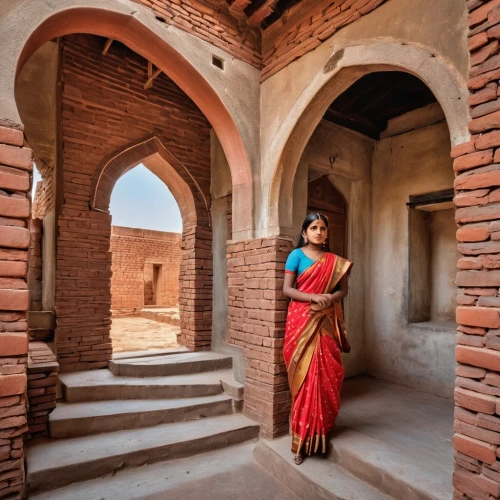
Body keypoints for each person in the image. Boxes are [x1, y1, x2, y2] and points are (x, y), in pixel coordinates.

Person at [283, 212, 352, 465]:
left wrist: (328, 298)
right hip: (300, 320)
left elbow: (342, 290)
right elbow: (287, 290)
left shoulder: (335, 261)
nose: (319, 232)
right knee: (304, 379)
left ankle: (321, 435)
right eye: (314, 227)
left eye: (323, 228)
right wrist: (313, 297)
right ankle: (301, 442)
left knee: (326, 376)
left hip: (324, 319)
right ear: (305, 232)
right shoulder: (296, 256)